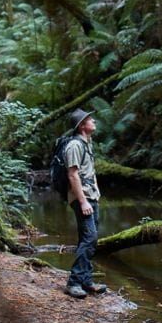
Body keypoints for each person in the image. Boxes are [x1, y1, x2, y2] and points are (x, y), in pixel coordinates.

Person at [64, 108, 108, 298]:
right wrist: (82, 202)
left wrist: (95, 196)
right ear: (82, 125)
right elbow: (73, 175)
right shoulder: (74, 145)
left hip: (91, 196)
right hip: (83, 198)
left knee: (88, 239)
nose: (94, 121)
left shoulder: (86, 143)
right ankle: (73, 282)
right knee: (90, 239)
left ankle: (86, 281)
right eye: (90, 120)